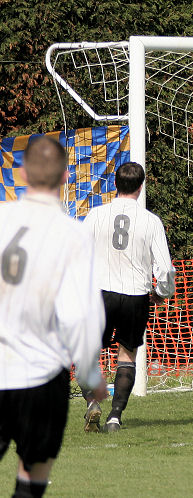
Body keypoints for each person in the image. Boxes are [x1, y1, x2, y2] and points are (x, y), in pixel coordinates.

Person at [0, 136, 107, 497]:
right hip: (42, 375)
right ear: (65, 176)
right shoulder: (72, 234)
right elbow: (82, 318)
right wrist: (92, 375)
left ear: (22, 172)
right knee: (32, 476)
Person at [81, 161, 176, 433]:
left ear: (115, 184)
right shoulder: (150, 221)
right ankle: (114, 417)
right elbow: (166, 268)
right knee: (127, 355)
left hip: (100, 292)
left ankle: (91, 403)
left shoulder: (96, 215)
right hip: (135, 295)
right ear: (141, 185)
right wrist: (161, 293)